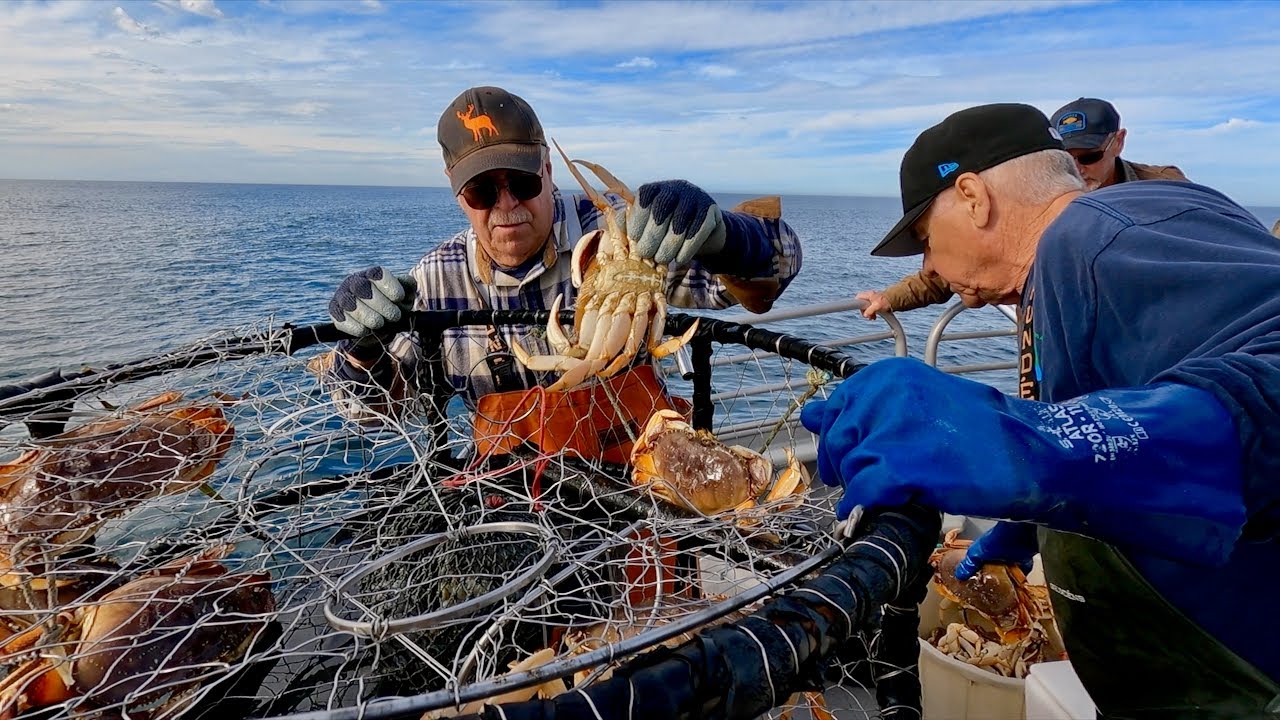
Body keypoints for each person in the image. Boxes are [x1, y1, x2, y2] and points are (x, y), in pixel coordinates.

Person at [802, 103, 1280, 717]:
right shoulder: (1068, 265)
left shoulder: (1099, 236)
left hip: (1241, 671)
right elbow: (1130, 405)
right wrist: (1026, 523)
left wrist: (1039, 442)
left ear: (973, 197)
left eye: (925, 241)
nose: (931, 272)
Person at [317, 86, 801, 457]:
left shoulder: (628, 237)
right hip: (508, 506)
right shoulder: (436, 281)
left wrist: (725, 236)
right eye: (483, 192)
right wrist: (363, 347)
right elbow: (369, 412)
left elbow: (777, 266)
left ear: (549, 169)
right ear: (455, 191)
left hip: (640, 480)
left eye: (524, 182)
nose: (507, 206)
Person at [857, 96, 1189, 320]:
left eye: (1088, 157)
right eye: (1063, 158)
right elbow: (961, 265)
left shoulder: (1166, 197)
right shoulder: (1028, 245)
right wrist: (892, 298)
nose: (1076, 170)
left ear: (1117, 142)